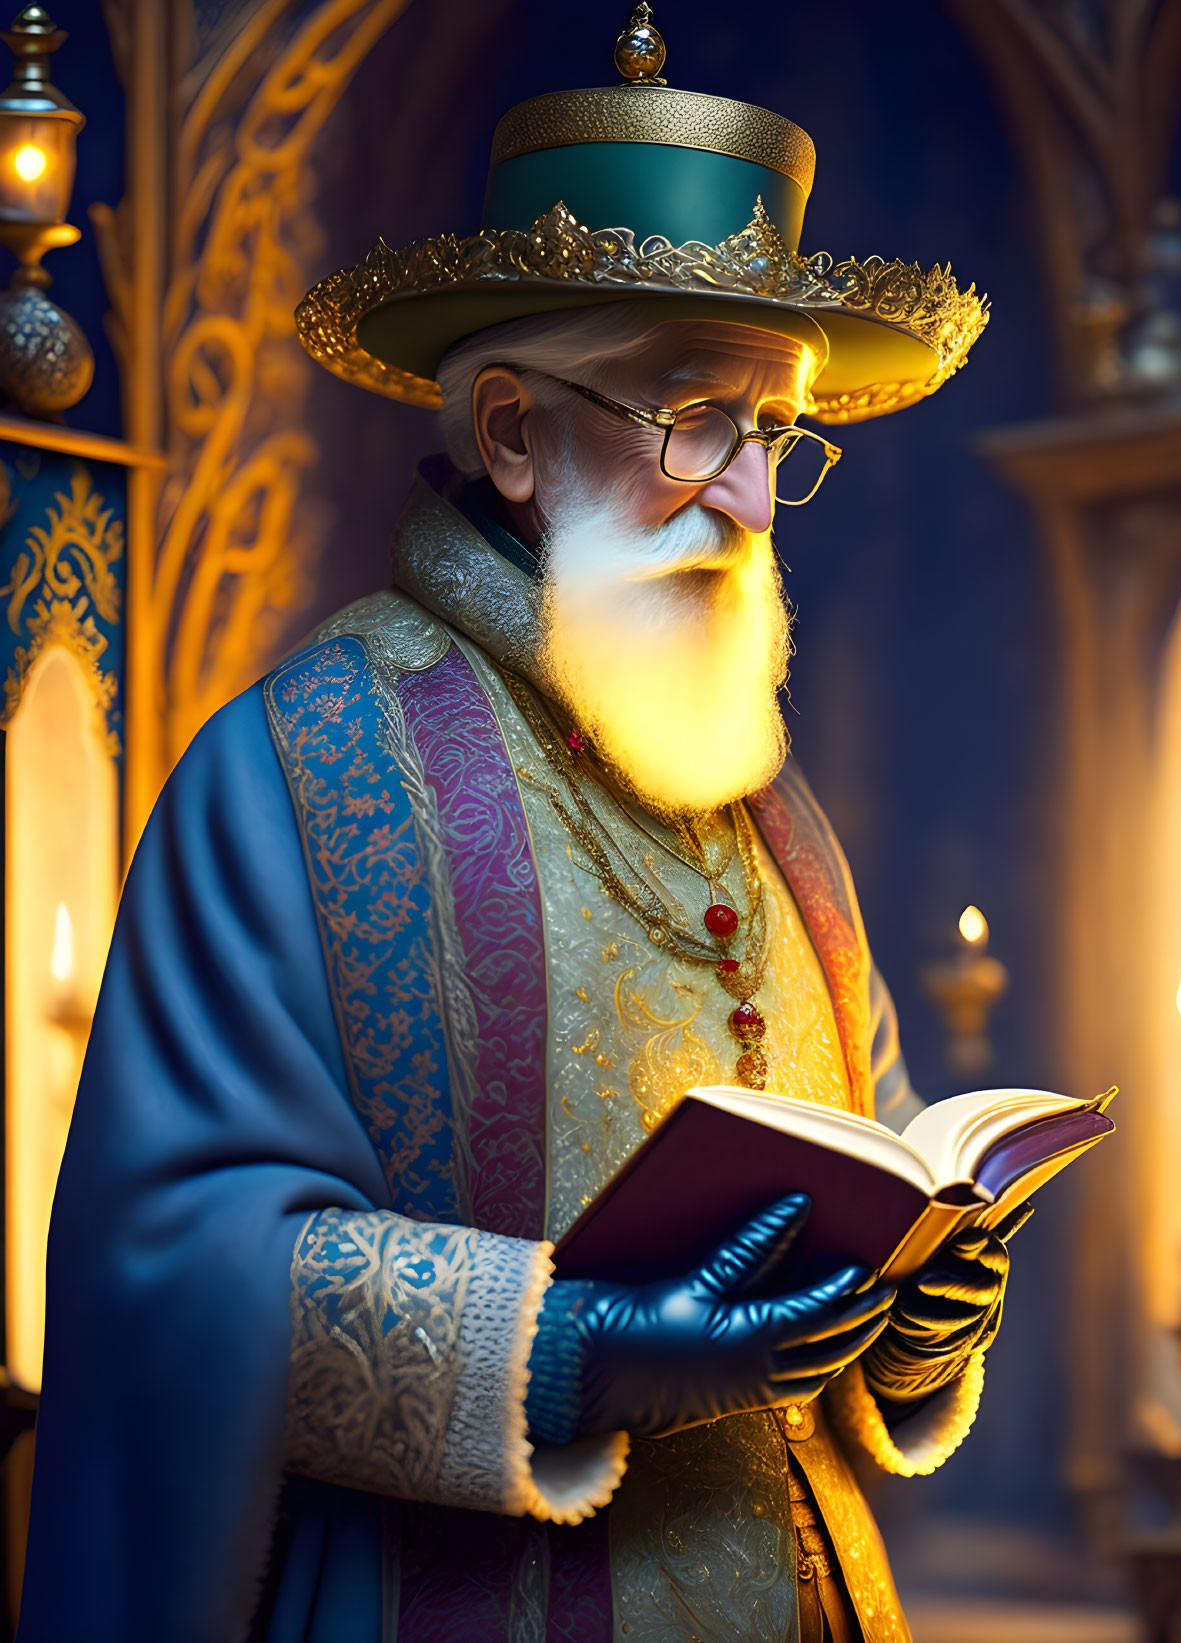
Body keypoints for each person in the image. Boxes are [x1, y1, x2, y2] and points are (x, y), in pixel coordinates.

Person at [19, 11, 1009, 1643]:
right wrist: (559, 1351)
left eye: (776, 434)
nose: (752, 501)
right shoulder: (292, 771)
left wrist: (915, 1319)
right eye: (696, 420)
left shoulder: (763, 796)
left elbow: (874, 1149)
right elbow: (167, 1271)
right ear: (513, 436)